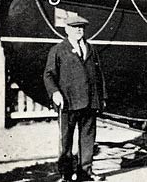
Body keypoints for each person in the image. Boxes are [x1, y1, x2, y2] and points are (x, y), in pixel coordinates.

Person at [44, 15, 107, 182]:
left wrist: (102, 97)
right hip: (68, 102)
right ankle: (66, 174)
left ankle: (85, 172)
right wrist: (55, 93)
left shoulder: (90, 48)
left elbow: (98, 75)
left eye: (81, 27)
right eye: (75, 27)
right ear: (67, 29)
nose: (79, 30)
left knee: (88, 139)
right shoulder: (58, 50)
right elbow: (48, 75)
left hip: (89, 101)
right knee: (66, 140)